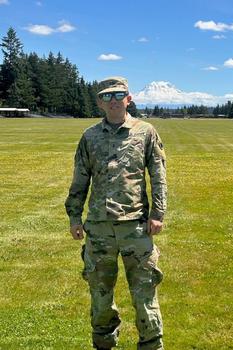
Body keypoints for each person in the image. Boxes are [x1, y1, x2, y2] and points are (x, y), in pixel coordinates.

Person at [65, 76, 167, 350]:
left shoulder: (146, 132)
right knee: (100, 296)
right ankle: (104, 344)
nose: (113, 100)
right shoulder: (89, 136)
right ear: (100, 102)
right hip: (98, 229)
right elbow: (80, 179)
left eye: (118, 94)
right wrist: (75, 217)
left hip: (136, 228)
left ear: (129, 98)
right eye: (106, 96)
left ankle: (151, 345)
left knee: (145, 295)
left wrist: (158, 213)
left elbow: (157, 175)